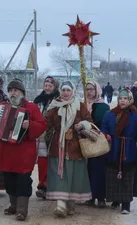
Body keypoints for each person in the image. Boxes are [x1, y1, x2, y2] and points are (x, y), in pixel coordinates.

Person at [0, 79, 47, 221]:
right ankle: (13, 205)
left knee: (23, 181)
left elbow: (42, 125)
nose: (13, 93)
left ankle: (21, 210)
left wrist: (29, 125)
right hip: (6, 152)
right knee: (9, 181)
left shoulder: (31, 107)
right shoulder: (2, 107)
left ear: (22, 93)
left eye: (16, 90)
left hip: (24, 153)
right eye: (11, 90)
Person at [45, 80, 93, 218]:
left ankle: (71, 203)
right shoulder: (54, 106)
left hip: (75, 147)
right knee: (59, 174)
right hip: (58, 146)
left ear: (72, 92)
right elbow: (46, 124)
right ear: (60, 91)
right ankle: (60, 205)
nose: (65, 93)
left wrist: (82, 125)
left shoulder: (80, 106)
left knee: (74, 175)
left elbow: (89, 122)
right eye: (63, 90)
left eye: (68, 90)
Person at [101, 88, 137, 214]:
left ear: (130, 100)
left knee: (127, 176)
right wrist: (105, 135)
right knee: (114, 175)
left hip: (129, 149)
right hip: (114, 147)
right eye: (120, 98)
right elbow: (104, 127)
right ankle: (115, 199)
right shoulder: (110, 114)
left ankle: (126, 204)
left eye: (125, 98)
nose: (122, 101)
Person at [33, 76, 60, 199]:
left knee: (54, 161)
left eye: (50, 86)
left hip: (54, 134)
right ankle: (43, 186)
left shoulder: (59, 99)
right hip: (41, 134)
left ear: (55, 87)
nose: (47, 87)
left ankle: (55, 186)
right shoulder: (39, 99)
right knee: (43, 160)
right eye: (46, 85)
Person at [85, 80, 110, 208]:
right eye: (87, 89)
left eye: (91, 89)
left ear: (97, 90)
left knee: (99, 169)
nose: (89, 92)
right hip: (83, 141)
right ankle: (89, 196)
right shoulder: (82, 104)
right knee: (86, 169)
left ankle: (101, 197)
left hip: (98, 141)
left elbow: (106, 124)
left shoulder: (103, 106)